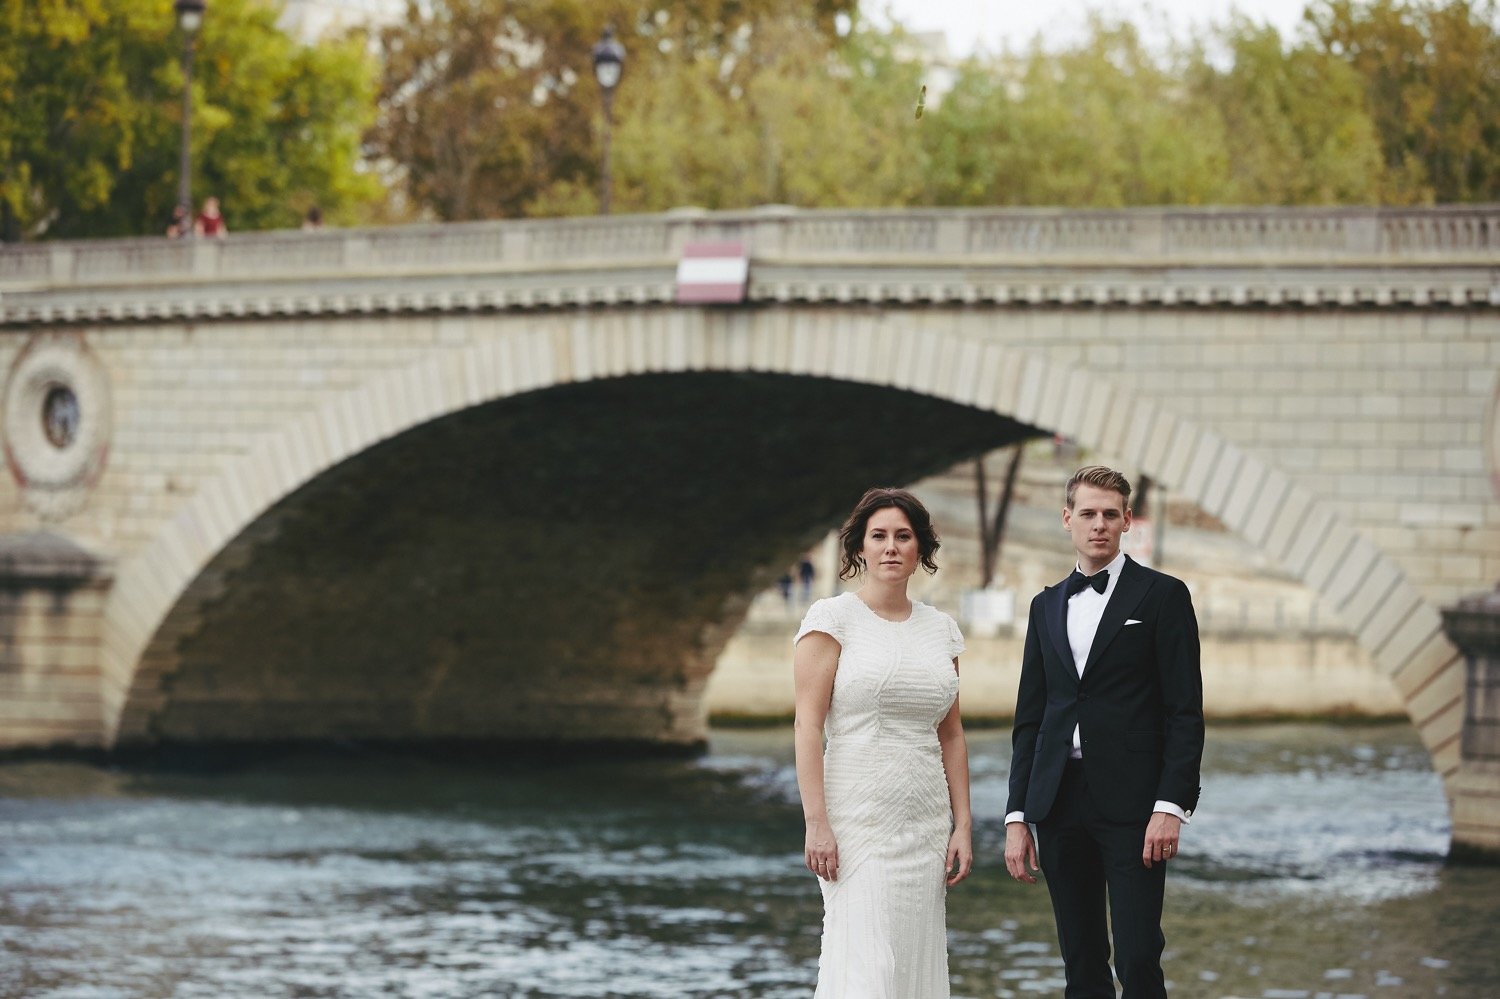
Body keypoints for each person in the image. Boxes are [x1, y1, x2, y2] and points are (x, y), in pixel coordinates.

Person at [1004, 465, 1204, 998]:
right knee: (1081, 962)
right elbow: (1031, 719)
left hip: (1135, 805)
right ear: (1067, 519)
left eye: (1110, 515)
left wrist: (1171, 805)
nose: (1099, 525)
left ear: (1127, 521)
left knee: (1138, 958)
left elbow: (1185, 711)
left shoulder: (1163, 596)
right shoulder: (1045, 605)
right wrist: (1017, 815)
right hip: (1058, 801)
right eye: (1088, 514)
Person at [793, 487, 972, 997]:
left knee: (912, 966)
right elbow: (807, 726)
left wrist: (962, 824)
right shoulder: (832, 620)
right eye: (879, 536)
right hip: (857, 823)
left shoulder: (942, 630)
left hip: (926, 824)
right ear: (860, 548)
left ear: (921, 549)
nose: (891, 547)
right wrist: (816, 823)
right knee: (868, 970)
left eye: (903, 536)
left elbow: (951, 733)